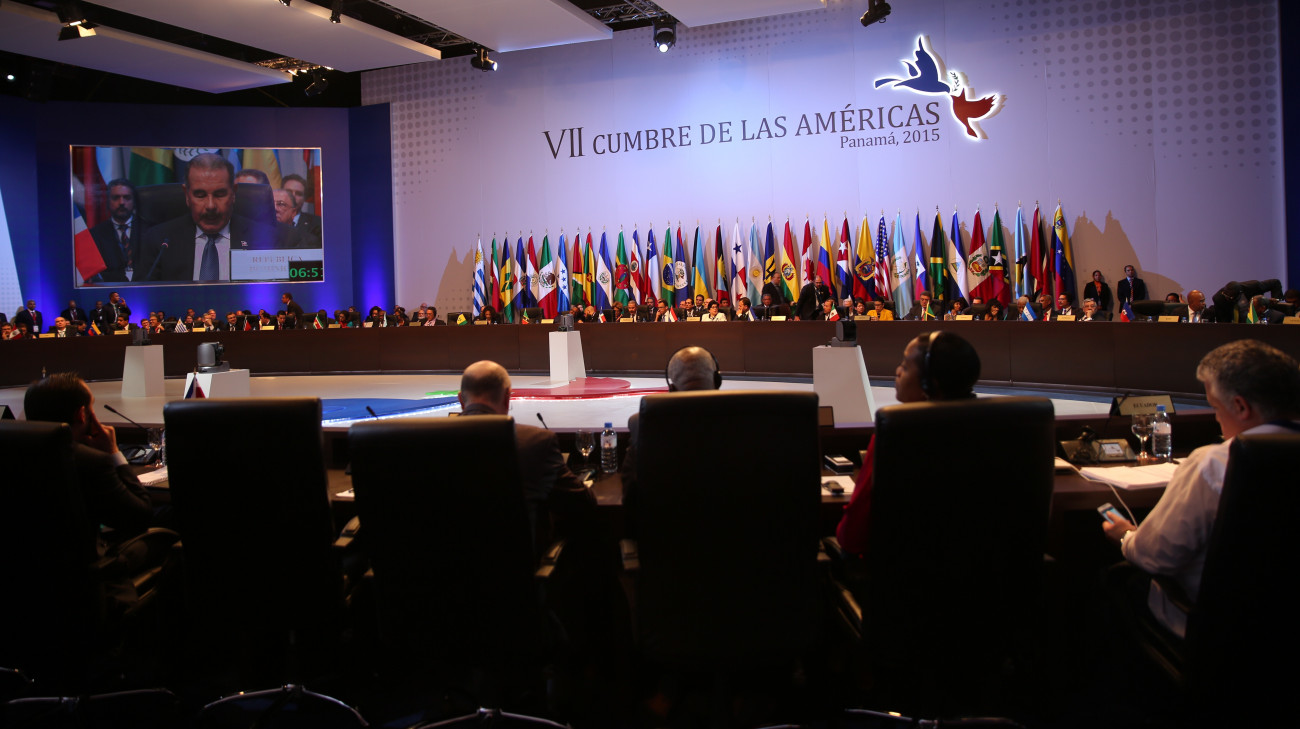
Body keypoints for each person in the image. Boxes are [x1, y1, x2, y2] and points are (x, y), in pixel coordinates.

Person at [1102, 340, 1300, 638]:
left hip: (1221, 631)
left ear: (1240, 407)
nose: (1217, 420)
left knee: (1113, 580)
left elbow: (1153, 556)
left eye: (1216, 408)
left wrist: (1126, 535)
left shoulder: (1214, 463)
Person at [836, 331, 981, 558]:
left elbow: (851, 537)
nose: (898, 371)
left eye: (905, 365)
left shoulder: (895, 432)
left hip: (901, 575)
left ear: (929, 383)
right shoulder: (997, 429)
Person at [456, 361, 594, 546]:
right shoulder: (535, 442)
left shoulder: (427, 442)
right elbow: (581, 503)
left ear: (461, 400)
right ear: (507, 398)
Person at [24, 373, 154, 542]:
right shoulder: (90, 462)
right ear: (82, 415)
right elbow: (140, 517)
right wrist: (113, 452)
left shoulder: (13, 455)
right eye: (91, 407)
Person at [140, 153, 286, 282]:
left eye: (220, 194)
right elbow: (142, 296)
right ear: (187, 195)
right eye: (200, 195)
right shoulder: (159, 241)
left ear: (233, 193)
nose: (210, 206)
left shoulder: (266, 239)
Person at [621, 346, 722, 526]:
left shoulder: (642, 424)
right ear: (717, 380)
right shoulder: (749, 421)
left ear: (672, 388)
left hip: (662, 538)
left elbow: (631, 495)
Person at [88, 179, 140, 282]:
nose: (121, 202)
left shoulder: (150, 230)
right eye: (116, 198)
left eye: (127, 197)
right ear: (108, 202)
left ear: (134, 202)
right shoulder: (95, 234)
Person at [281, 174, 322, 248]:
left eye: (298, 194)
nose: (293, 196)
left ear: (304, 198)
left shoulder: (318, 224)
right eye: (288, 191)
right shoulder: (266, 222)